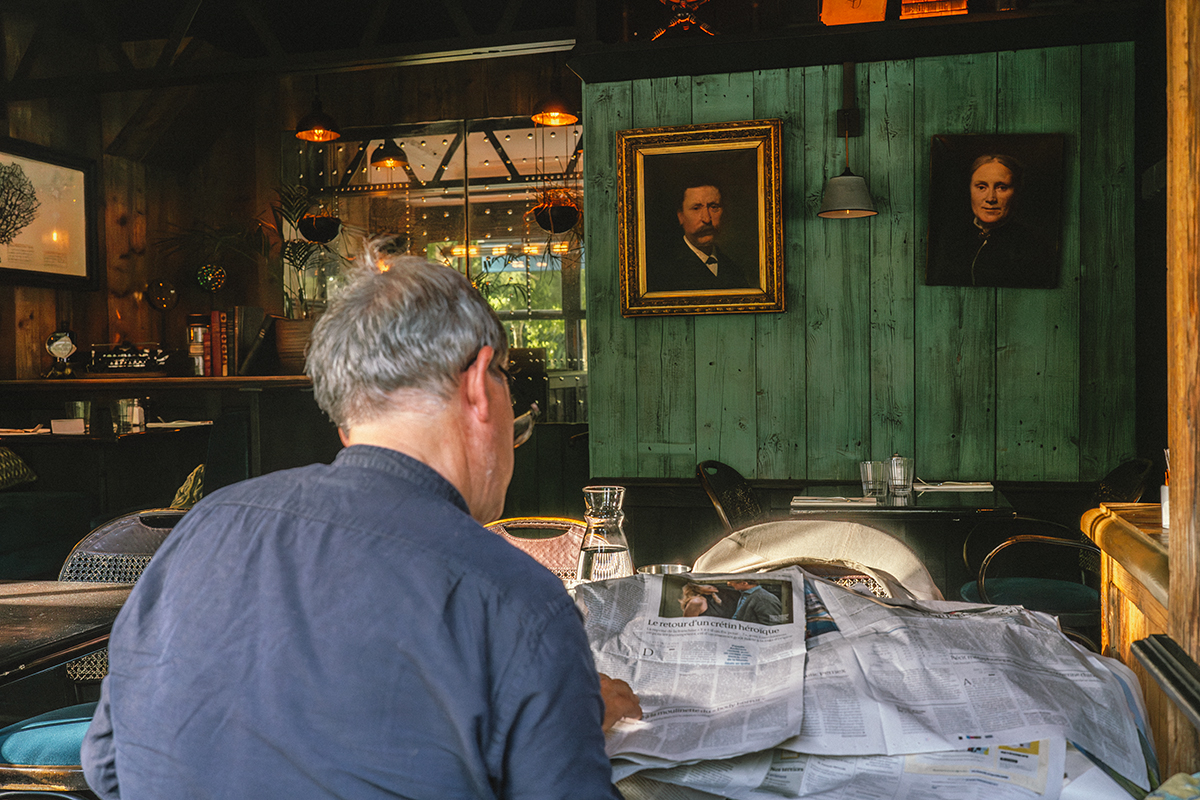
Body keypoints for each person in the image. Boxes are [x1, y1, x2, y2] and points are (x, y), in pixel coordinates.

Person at [81, 235, 640, 799]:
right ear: (478, 383)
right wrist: (559, 721)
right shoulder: (519, 601)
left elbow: (108, 768)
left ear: (348, 419)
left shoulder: (204, 526)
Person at [926, 153, 1059, 289]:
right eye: (981, 187)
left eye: (1001, 187)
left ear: (1017, 192)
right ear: (970, 190)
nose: (990, 198)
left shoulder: (1034, 247)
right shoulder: (949, 241)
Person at [646, 180, 756, 292]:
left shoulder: (734, 270)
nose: (707, 219)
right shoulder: (661, 271)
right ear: (680, 216)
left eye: (714, 207)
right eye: (696, 208)